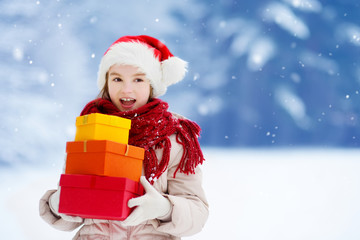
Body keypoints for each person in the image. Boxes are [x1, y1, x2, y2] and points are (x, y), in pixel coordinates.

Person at [39, 35, 209, 239]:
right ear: (106, 83)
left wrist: (164, 209)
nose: (126, 89)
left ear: (151, 85)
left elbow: (198, 213)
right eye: (117, 79)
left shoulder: (175, 137)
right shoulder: (91, 127)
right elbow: (73, 217)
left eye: (138, 79)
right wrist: (58, 204)